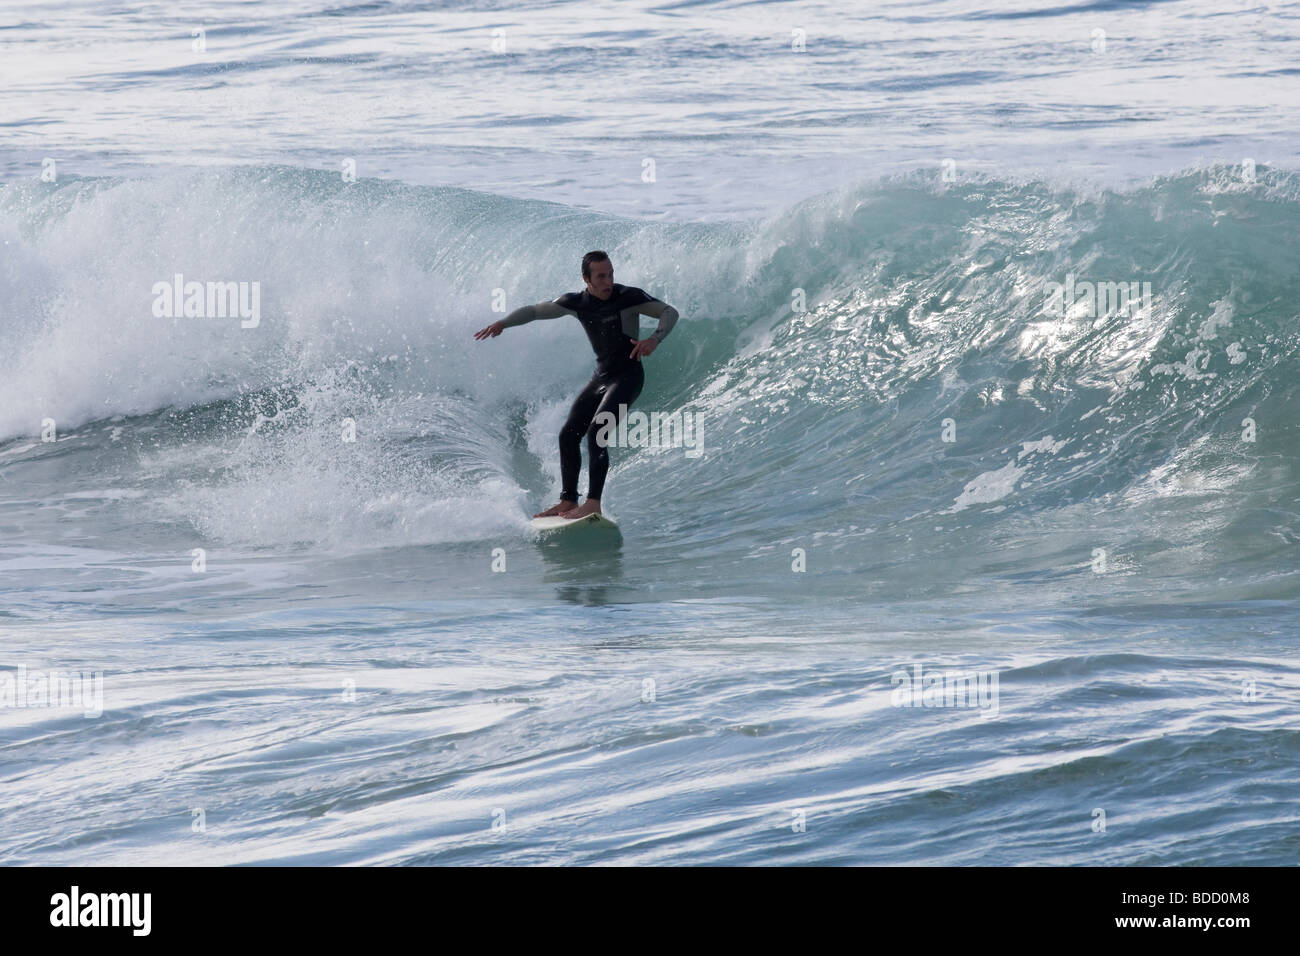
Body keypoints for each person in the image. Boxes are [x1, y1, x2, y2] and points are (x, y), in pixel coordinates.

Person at [474, 251, 680, 520]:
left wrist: (654, 339)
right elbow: (535, 312)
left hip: (628, 375)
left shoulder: (628, 297)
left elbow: (669, 312)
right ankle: (568, 501)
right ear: (587, 279)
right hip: (601, 377)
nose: (608, 281)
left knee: (597, 432)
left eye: (611, 274)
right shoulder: (576, 303)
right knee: (568, 434)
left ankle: (593, 503)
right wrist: (503, 322)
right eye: (601, 276)